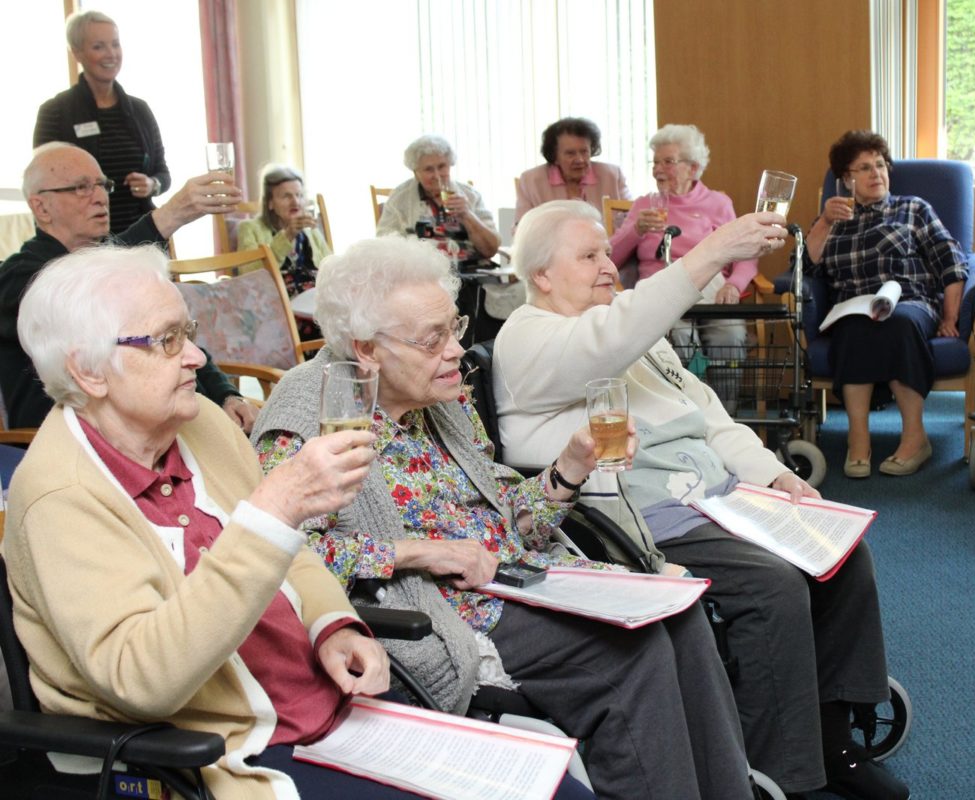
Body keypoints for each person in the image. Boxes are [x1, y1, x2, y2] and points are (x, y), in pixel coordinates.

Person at [1, 245, 601, 799]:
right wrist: (273, 511)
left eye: (187, 332)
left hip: (335, 712)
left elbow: (297, 555)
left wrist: (332, 624)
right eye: (164, 341)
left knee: (552, 787)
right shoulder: (62, 496)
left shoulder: (200, 425)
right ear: (89, 372)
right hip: (231, 752)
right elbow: (143, 679)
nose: (196, 357)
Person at [251, 235, 757, 800]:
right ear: (366, 349)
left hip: (522, 578)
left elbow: (509, 519)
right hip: (444, 608)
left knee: (682, 620)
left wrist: (568, 468)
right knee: (632, 660)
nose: (454, 353)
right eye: (431, 339)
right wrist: (415, 551)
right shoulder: (313, 414)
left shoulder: (440, 399)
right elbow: (279, 555)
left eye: (454, 329)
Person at [492, 200, 909, 800]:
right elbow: (606, 341)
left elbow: (709, 420)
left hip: (718, 496)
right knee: (772, 584)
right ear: (541, 276)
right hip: (640, 515)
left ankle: (833, 736)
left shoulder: (631, 333)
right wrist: (713, 252)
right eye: (588, 256)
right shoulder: (527, 338)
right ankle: (788, 773)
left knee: (838, 555)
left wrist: (773, 477)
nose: (608, 266)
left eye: (607, 252)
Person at [0, 142, 257, 433]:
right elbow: (83, 290)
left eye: (102, 184)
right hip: (78, 445)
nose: (99, 197)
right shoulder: (19, 276)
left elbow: (178, 340)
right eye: (82, 187)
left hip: (157, 430)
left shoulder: (106, 262)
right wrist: (167, 216)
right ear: (41, 206)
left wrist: (226, 394)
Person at [805, 130, 967, 478]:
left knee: (898, 323)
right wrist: (823, 222)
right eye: (863, 168)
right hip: (854, 305)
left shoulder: (913, 208)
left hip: (911, 302)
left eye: (880, 165)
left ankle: (914, 438)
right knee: (853, 327)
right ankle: (858, 439)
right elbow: (806, 267)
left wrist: (950, 317)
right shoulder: (833, 218)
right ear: (845, 180)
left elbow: (951, 263)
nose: (875, 173)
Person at [609, 123, 752, 367]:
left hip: (710, 286)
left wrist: (734, 286)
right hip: (660, 288)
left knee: (730, 336)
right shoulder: (644, 205)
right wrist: (636, 230)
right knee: (679, 339)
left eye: (668, 162)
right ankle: (683, 404)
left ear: (693, 168)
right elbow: (610, 258)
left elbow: (745, 253)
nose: (657, 170)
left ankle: (722, 406)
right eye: (654, 163)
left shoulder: (717, 203)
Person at [34, 10, 169, 233]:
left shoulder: (140, 110)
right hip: (83, 242)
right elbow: (42, 186)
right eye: (99, 47)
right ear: (77, 53)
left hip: (140, 234)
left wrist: (152, 185)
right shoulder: (55, 112)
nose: (111, 54)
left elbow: (163, 173)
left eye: (115, 44)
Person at [376, 134, 507, 344]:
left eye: (442, 166)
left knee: (503, 294)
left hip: (473, 272)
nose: (437, 175)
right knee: (456, 290)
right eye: (429, 169)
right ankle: (458, 349)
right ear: (415, 172)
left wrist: (467, 215)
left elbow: (491, 248)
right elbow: (385, 244)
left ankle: (483, 354)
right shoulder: (400, 200)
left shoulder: (469, 196)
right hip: (425, 274)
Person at [237, 164, 332, 298]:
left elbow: (331, 265)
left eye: (299, 195)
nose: (296, 202)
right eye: (286, 196)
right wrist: (287, 235)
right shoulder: (249, 228)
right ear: (269, 202)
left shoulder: (309, 229)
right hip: (276, 302)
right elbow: (249, 275)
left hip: (317, 300)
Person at [515, 117, 630, 223]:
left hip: (605, 244)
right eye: (570, 153)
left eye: (584, 151)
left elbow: (631, 220)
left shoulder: (612, 175)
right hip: (553, 245)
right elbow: (520, 229)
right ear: (554, 156)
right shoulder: (531, 181)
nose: (580, 159)